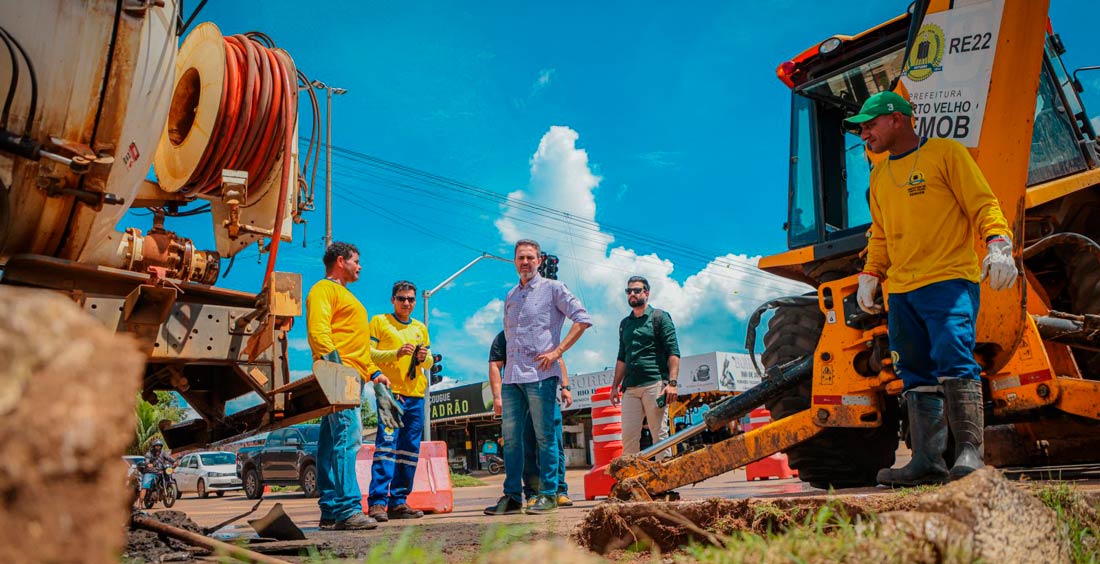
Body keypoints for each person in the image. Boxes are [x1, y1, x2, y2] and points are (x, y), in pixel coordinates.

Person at [844, 91, 1018, 486]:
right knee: (914, 372)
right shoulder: (879, 175)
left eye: (871, 124)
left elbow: (983, 204)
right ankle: (926, 460)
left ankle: (969, 454)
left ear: (897, 119)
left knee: (954, 360)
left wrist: (997, 242)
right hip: (903, 291)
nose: (865, 133)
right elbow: (880, 234)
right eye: (862, 128)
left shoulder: (946, 154)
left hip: (948, 280)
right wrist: (871, 273)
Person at [485, 239, 591, 516]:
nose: (525, 262)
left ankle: (549, 493)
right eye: (521, 257)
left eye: (530, 257)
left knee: (545, 437)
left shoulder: (554, 288)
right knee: (512, 439)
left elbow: (582, 319)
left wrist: (557, 352)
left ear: (540, 260)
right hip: (512, 378)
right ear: (514, 261)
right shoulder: (511, 296)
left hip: (541, 376)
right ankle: (512, 496)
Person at [306, 242, 383, 530]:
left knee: (330, 442)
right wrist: (336, 369)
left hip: (349, 374)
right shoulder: (323, 290)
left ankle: (330, 509)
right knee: (347, 439)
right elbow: (318, 332)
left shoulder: (346, 295)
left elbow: (356, 345)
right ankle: (348, 508)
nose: (360, 266)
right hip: (340, 375)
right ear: (341, 261)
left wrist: (374, 374)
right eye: (356, 261)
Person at [366, 280, 432, 522]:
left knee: (409, 451)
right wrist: (396, 353)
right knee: (386, 447)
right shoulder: (379, 321)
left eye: (411, 299)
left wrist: (423, 358)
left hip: (416, 396)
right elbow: (368, 354)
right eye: (402, 298)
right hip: (391, 395)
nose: (407, 303)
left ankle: (399, 501)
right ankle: (377, 503)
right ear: (393, 300)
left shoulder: (420, 328)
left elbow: (429, 362)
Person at [488, 330, 575, 509]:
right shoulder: (503, 338)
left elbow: (558, 359)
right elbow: (495, 365)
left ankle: (559, 490)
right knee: (527, 446)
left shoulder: (540, 332)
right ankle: (533, 493)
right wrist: (497, 397)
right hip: (521, 397)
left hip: (546, 395)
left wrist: (565, 387)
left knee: (554, 442)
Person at [610, 276, 681, 460]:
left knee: (659, 435)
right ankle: (633, 476)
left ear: (646, 293)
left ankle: (665, 476)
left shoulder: (660, 317)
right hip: (630, 388)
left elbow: (673, 352)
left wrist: (672, 383)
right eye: (629, 291)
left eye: (636, 290)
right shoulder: (625, 324)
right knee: (628, 438)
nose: (632, 294)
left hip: (654, 384)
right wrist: (614, 387)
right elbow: (622, 357)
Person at [135, 439, 175, 508]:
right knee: (145, 486)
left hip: (161, 471)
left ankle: (163, 491)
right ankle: (140, 503)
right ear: (153, 447)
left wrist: (175, 462)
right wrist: (148, 464)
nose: (158, 447)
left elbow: (170, 459)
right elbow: (146, 460)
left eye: (159, 446)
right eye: (156, 446)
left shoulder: (163, 453)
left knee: (168, 475)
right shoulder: (149, 453)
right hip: (150, 471)